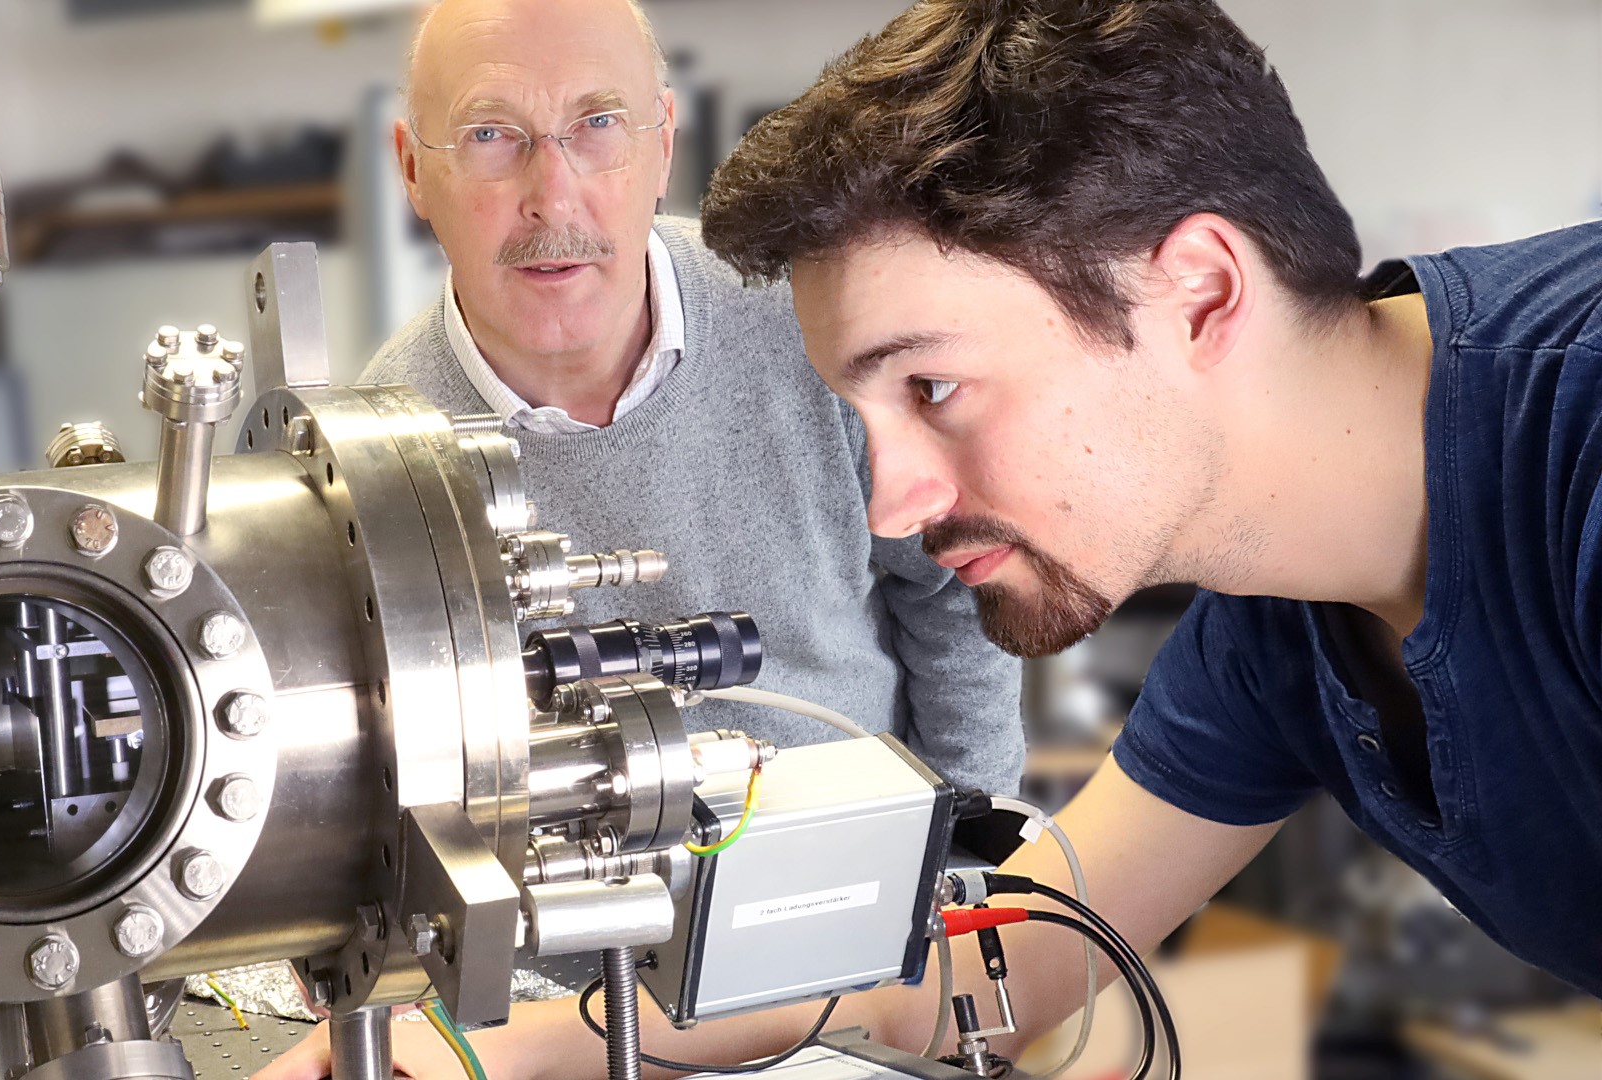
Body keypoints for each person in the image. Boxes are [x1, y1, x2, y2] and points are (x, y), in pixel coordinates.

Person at [265, 0, 1601, 1076]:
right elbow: (992, 964)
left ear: (1198, 293)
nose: (891, 508)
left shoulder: (1577, 445)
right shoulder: (1276, 625)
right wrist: (502, 1053)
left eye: (937, 388)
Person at [255, 3, 1022, 1074]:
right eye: (491, 133)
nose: (552, 193)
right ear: (413, 170)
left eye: (598, 124)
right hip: (558, 1028)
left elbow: (948, 591)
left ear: (664, 142)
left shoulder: (811, 323)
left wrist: (967, 876)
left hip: (856, 975)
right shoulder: (372, 473)